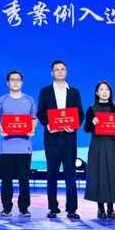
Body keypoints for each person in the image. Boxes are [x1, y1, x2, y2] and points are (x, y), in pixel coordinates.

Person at [37, 60, 85, 220]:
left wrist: (75, 125)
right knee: (52, 174)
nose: (59, 71)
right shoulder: (45, 91)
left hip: (69, 139)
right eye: (56, 69)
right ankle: (52, 207)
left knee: (70, 175)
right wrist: (49, 125)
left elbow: (80, 114)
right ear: (52, 73)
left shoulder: (74, 92)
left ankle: (72, 209)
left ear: (66, 72)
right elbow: (41, 113)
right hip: (52, 139)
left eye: (62, 69)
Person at [0, 70, 37, 217]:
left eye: (18, 80)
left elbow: (33, 118)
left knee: (24, 179)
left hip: (24, 146)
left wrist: (32, 128)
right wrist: (1, 128)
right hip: (6, 147)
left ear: (22, 82)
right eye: (12, 80)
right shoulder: (1, 100)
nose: (15, 82)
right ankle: (6, 207)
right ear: (8, 83)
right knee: (6, 179)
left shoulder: (29, 100)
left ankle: (24, 208)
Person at [83, 81, 115, 220]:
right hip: (97, 144)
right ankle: (100, 208)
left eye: (107, 89)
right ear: (97, 92)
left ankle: (111, 208)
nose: (105, 92)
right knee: (98, 175)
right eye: (101, 89)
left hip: (112, 144)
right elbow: (86, 128)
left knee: (112, 175)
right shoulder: (91, 109)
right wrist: (92, 122)